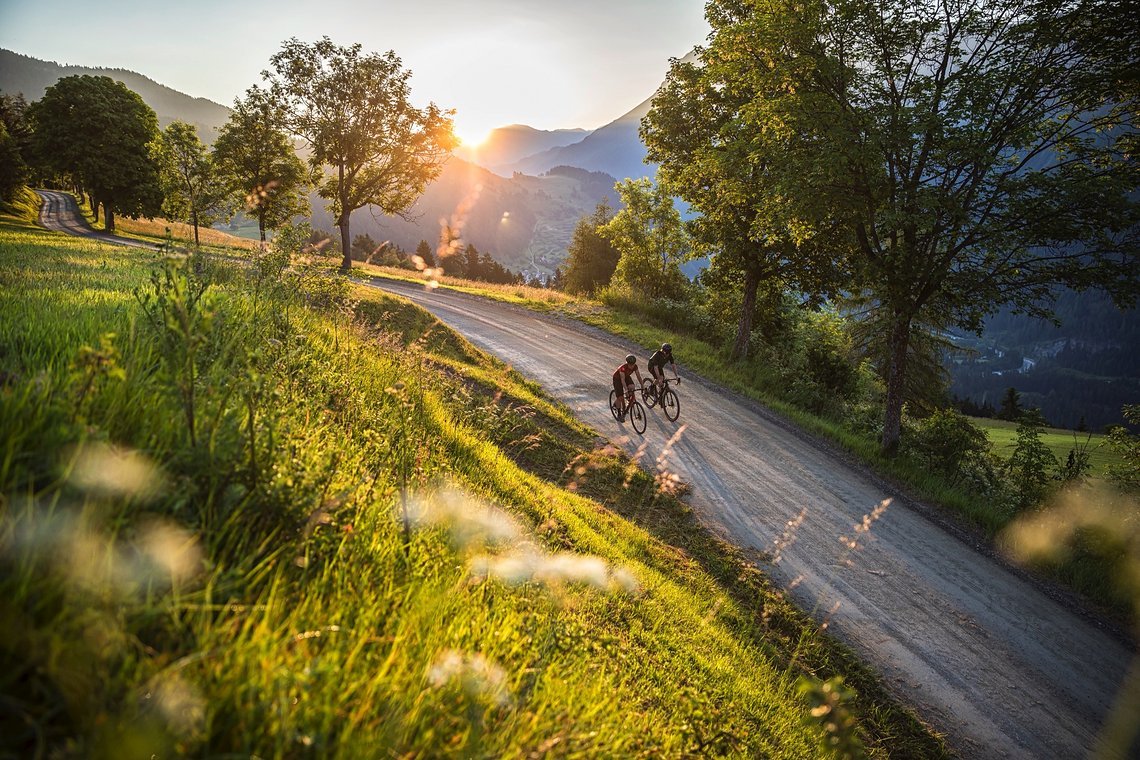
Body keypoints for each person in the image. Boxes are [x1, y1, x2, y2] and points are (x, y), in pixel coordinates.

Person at [612, 354, 643, 420]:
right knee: (620, 397)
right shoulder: (623, 368)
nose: (632, 366)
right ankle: (619, 414)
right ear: (627, 363)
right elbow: (622, 380)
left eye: (633, 364)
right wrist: (626, 390)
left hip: (626, 376)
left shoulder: (635, 366)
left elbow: (638, 376)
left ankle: (628, 401)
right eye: (630, 365)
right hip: (617, 378)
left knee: (632, 387)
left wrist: (642, 385)